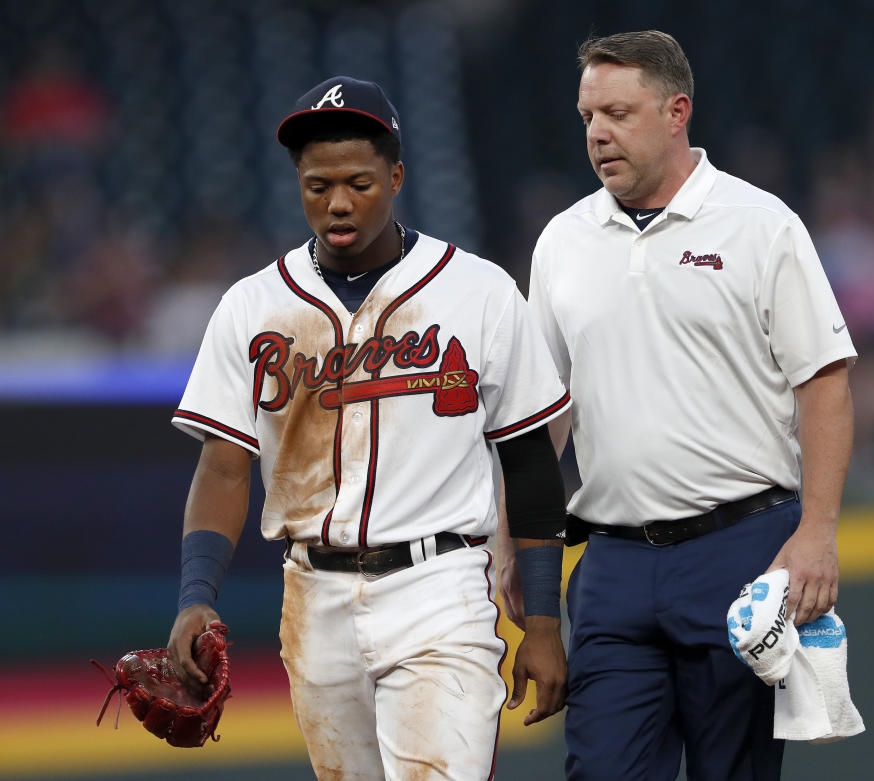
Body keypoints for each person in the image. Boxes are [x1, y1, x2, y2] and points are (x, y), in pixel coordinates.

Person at [165, 76, 571, 780]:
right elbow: (225, 466)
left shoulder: (477, 291)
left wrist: (542, 619)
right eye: (318, 185)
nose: (339, 202)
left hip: (437, 585)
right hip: (312, 598)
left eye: (359, 181)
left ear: (397, 175)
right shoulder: (252, 304)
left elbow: (530, 459)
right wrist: (196, 596)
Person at [498, 31, 857, 781]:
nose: (598, 133)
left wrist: (819, 530)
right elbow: (542, 414)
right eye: (588, 115)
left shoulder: (760, 224)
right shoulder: (563, 240)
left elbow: (823, 384)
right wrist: (510, 530)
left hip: (742, 547)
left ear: (676, 112)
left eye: (619, 113)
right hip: (613, 563)